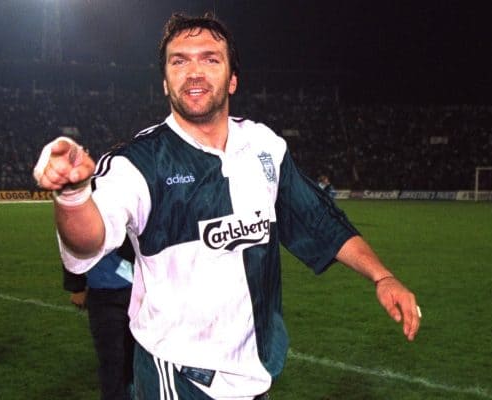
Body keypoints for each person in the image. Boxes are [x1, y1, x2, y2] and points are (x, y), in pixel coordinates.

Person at [33, 12, 421, 400]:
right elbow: (89, 242)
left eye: (210, 58)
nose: (194, 71)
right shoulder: (138, 163)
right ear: (165, 84)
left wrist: (381, 276)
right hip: (178, 376)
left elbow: (318, 218)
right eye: (179, 61)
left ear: (233, 78)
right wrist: (73, 193)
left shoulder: (264, 146)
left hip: (253, 374)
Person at [63, 236, 136, 400]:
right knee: (112, 357)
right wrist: (76, 286)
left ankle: (133, 392)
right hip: (104, 292)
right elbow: (71, 239)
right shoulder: (91, 212)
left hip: (138, 290)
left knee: (135, 354)